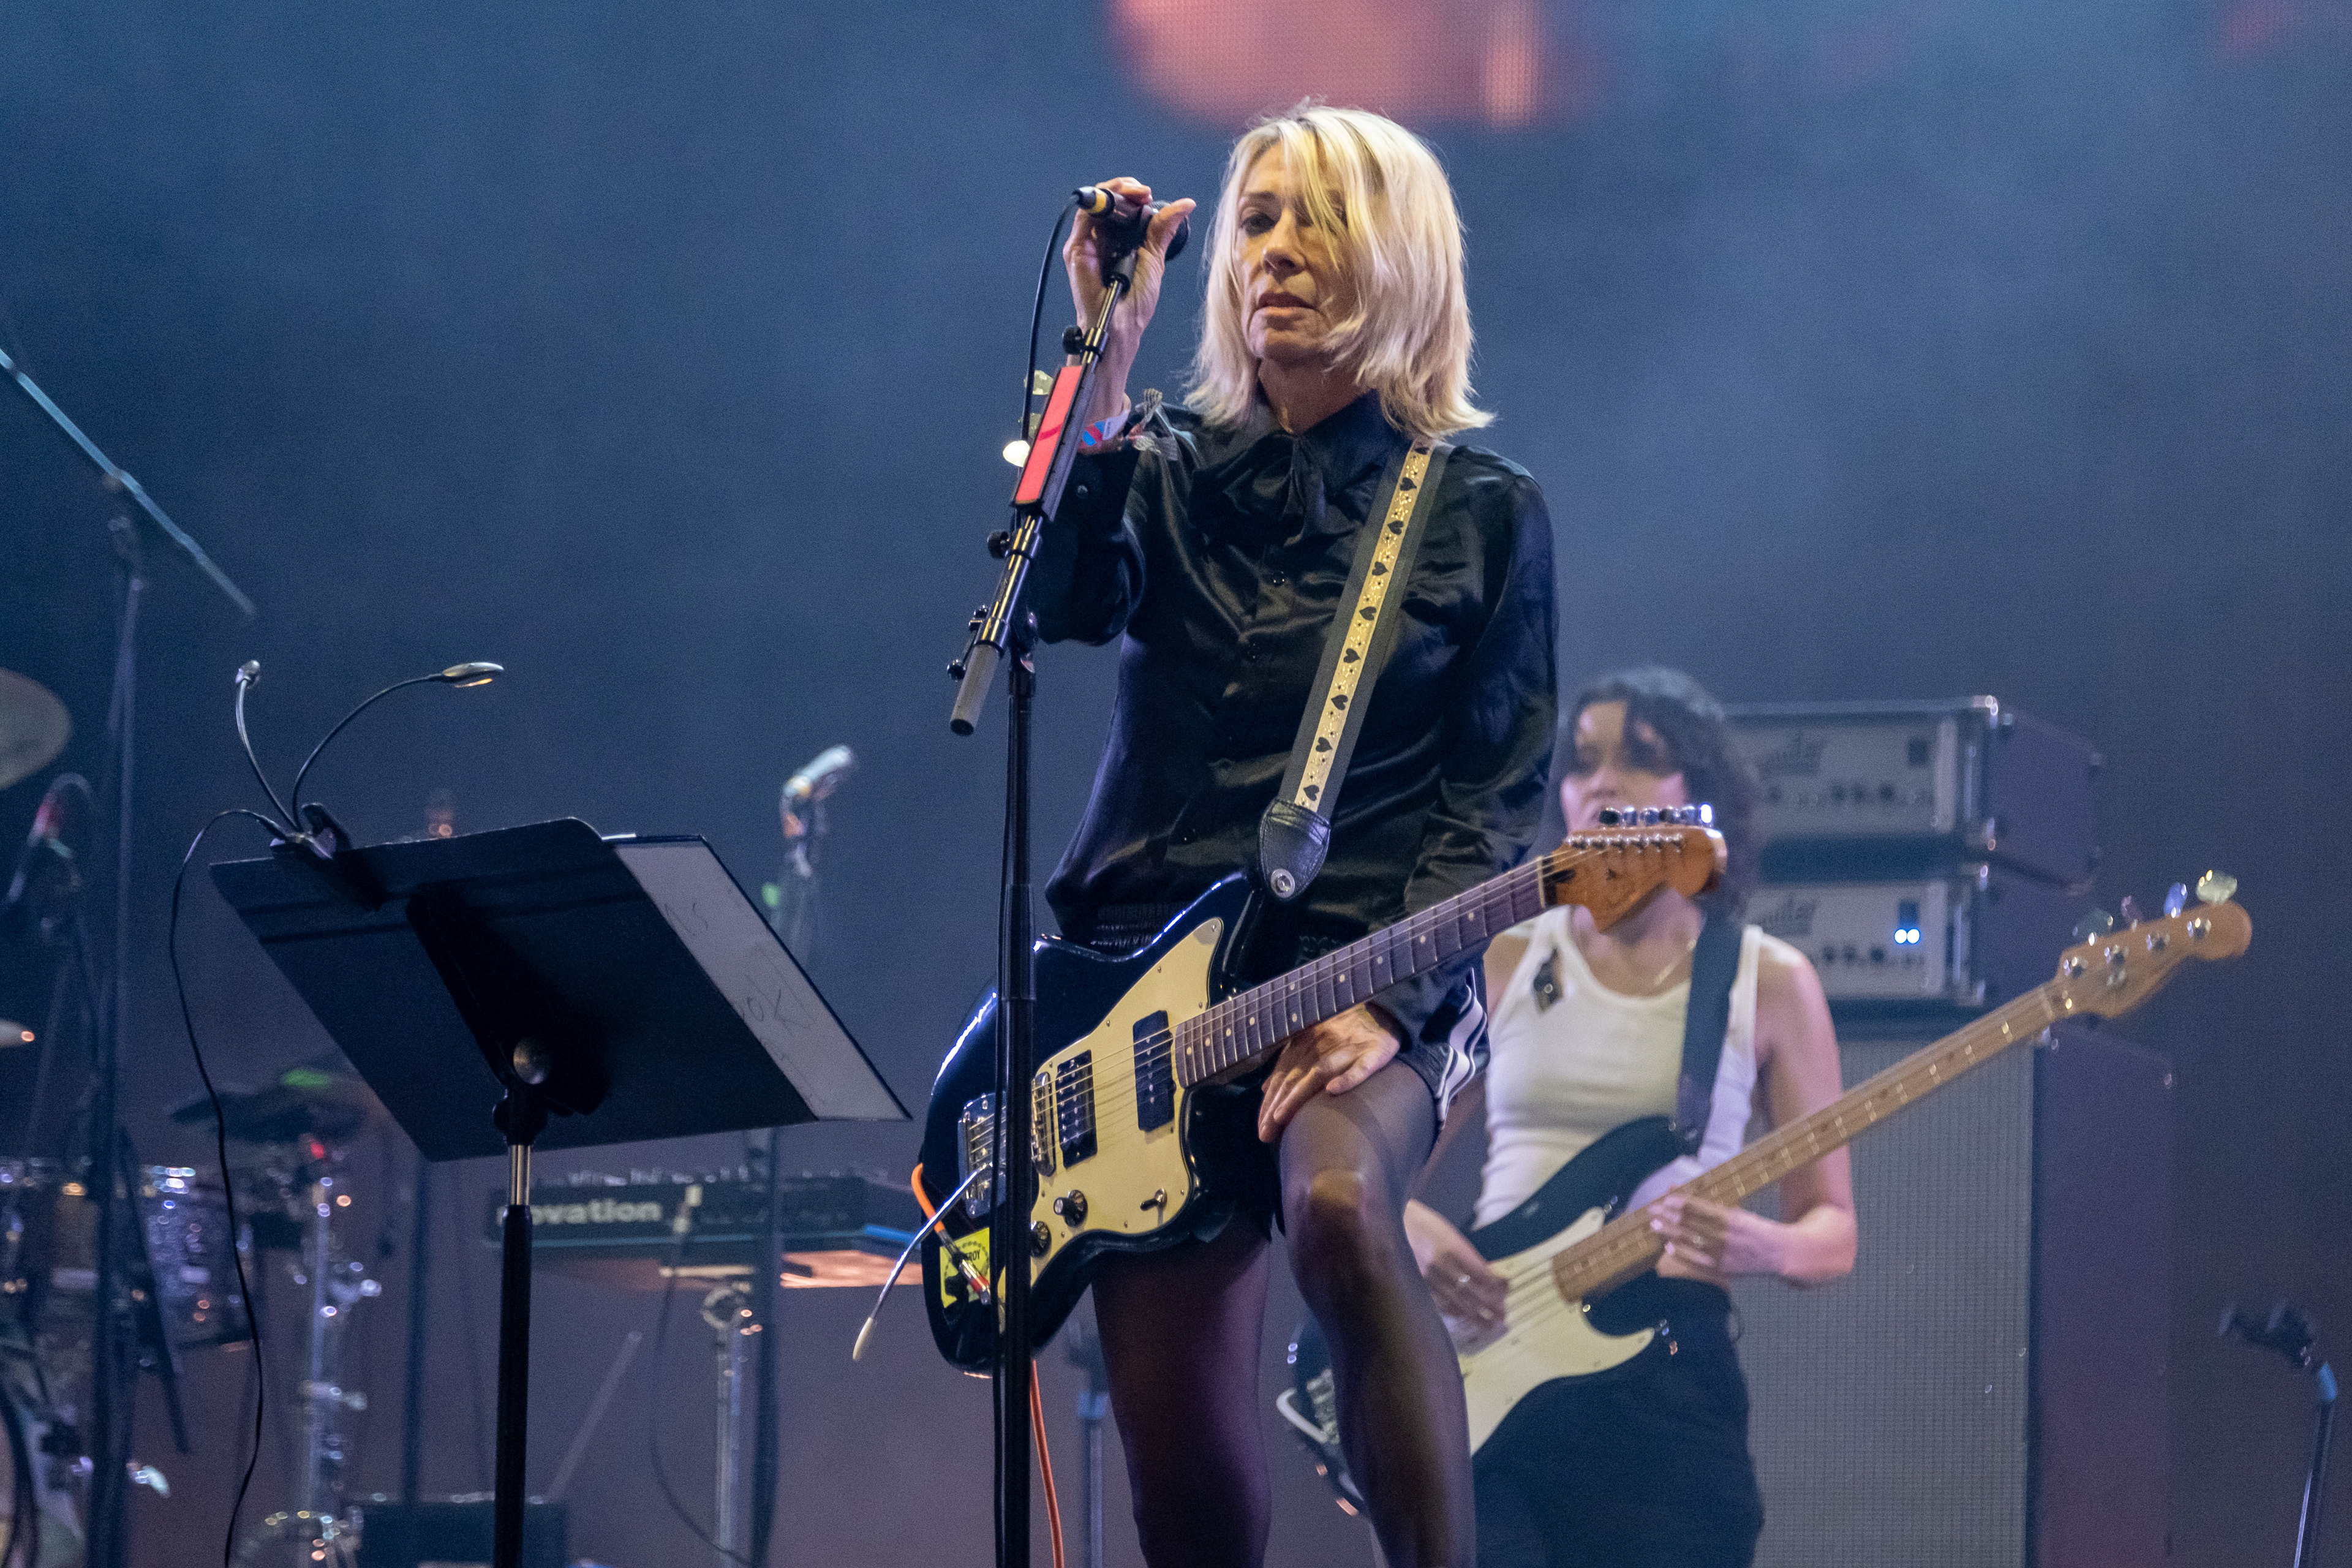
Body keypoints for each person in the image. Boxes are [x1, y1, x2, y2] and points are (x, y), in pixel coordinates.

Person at [1027, 105, 1556, 1568]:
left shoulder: (1481, 512)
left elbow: (1497, 797)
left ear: (1397, 256)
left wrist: (1388, 1001)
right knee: (1179, 1453)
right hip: (1145, 996)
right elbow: (1061, 600)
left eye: (1315, 220)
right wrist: (1103, 363)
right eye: (1256, 221)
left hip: (1360, 980)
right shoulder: (1168, 464)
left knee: (1331, 1204)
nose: (1274, 253)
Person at [1403, 668, 1856, 1568]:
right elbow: (1382, 1173)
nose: (1601, 783)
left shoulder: (1769, 981)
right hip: (1488, 1353)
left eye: (1641, 761)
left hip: (1666, 1374)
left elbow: (1832, 1231)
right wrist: (1415, 1231)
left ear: (1703, 797)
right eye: (1582, 763)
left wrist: (1760, 1246)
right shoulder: (1502, 959)